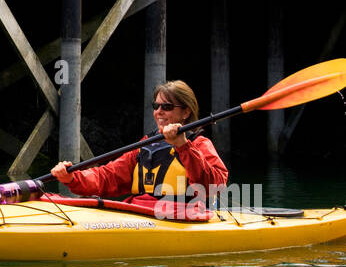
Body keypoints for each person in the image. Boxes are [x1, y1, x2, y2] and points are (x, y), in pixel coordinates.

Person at [50, 80, 228, 205]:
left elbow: (216, 186)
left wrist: (183, 146)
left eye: (166, 107)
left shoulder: (198, 144)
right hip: (140, 212)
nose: (159, 112)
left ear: (186, 112)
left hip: (182, 215)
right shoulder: (146, 144)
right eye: (156, 106)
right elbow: (109, 176)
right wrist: (72, 178)